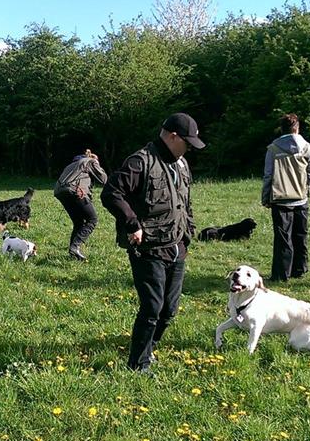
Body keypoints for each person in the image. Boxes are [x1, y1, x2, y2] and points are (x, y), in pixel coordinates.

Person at [101, 113, 203, 374]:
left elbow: (185, 203)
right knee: (152, 307)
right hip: (148, 247)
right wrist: (132, 223)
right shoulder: (141, 162)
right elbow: (112, 192)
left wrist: (188, 234)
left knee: (169, 309)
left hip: (177, 245)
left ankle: (150, 346)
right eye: (187, 142)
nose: (190, 147)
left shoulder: (182, 164)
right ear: (173, 136)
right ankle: (138, 363)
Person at [261, 114, 310, 283]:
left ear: (281, 129)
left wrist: (265, 197)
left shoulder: (273, 149)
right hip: (301, 197)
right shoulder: (306, 146)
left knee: (283, 238)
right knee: (301, 234)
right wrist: (307, 191)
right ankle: (300, 269)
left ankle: (281, 273)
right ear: (297, 128)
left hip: (280, 198)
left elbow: (268, 176)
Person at [54, 149, 107, 260]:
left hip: (60, 191)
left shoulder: (72, 165)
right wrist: (98, 166)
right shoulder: (90, 162)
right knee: (92, 219)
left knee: (78, 222)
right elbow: (103, 179)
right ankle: (75, 247)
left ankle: (73, 252)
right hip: (75, 191)